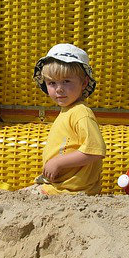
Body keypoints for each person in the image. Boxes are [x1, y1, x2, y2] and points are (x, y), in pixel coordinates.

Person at [31, 43, 106, 195]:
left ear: (84, 83)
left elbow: (95, 150)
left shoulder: (81, 113)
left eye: (66, 81)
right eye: (52, 83)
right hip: (62, 185)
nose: (59, 88)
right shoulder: (69, 111)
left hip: (72, 190)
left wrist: (58, 162)